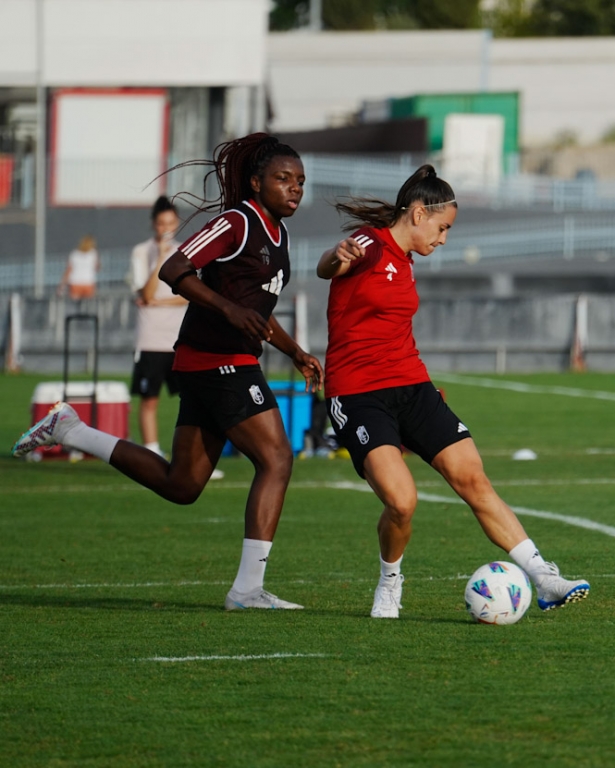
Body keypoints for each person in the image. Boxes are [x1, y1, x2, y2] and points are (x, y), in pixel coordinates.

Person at [12, 132, 323, 611]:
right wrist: (226, 309)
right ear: (257, 183)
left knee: (182, 485)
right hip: (217, 360)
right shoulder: (237, 222)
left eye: (300, 181)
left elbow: (254, 312)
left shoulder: (278, 235)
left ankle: (71, 429)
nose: (294, 188)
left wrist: (297, 351)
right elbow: (174, 268)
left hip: (215, 362)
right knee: (277, 458)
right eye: (283, 179)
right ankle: (246, 591)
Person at [316, 164, 590, 619]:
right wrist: (335, 254)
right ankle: (390, 580)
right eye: (443, 228)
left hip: (413, 386)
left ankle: (543, 576)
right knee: (401, 502)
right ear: (419, 214)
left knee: (473, 478)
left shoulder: (405, 262)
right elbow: (332, 265)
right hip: (359, 394)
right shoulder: (368, 242)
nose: (443, 239)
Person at [130, 195, 191, 461]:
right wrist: (161, 260)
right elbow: (146, 290)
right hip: (151, 339)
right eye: (161, 223)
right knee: (149, 399)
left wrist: (158, 302)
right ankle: (152, 452)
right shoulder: (141, 252)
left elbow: (190, 293)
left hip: (181, 338)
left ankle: (192, 458)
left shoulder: (186, 251)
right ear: (153, 224)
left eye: (170, 223)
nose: (166, 229)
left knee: (192, 400)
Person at [57, 235, 99, 300]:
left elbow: (68, 270)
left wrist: (62, 286)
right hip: (88, 282)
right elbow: (96, 268)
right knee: (89, 304)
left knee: (74, 304)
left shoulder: (74, 254)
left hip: (75, 282)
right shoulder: (93, 253)